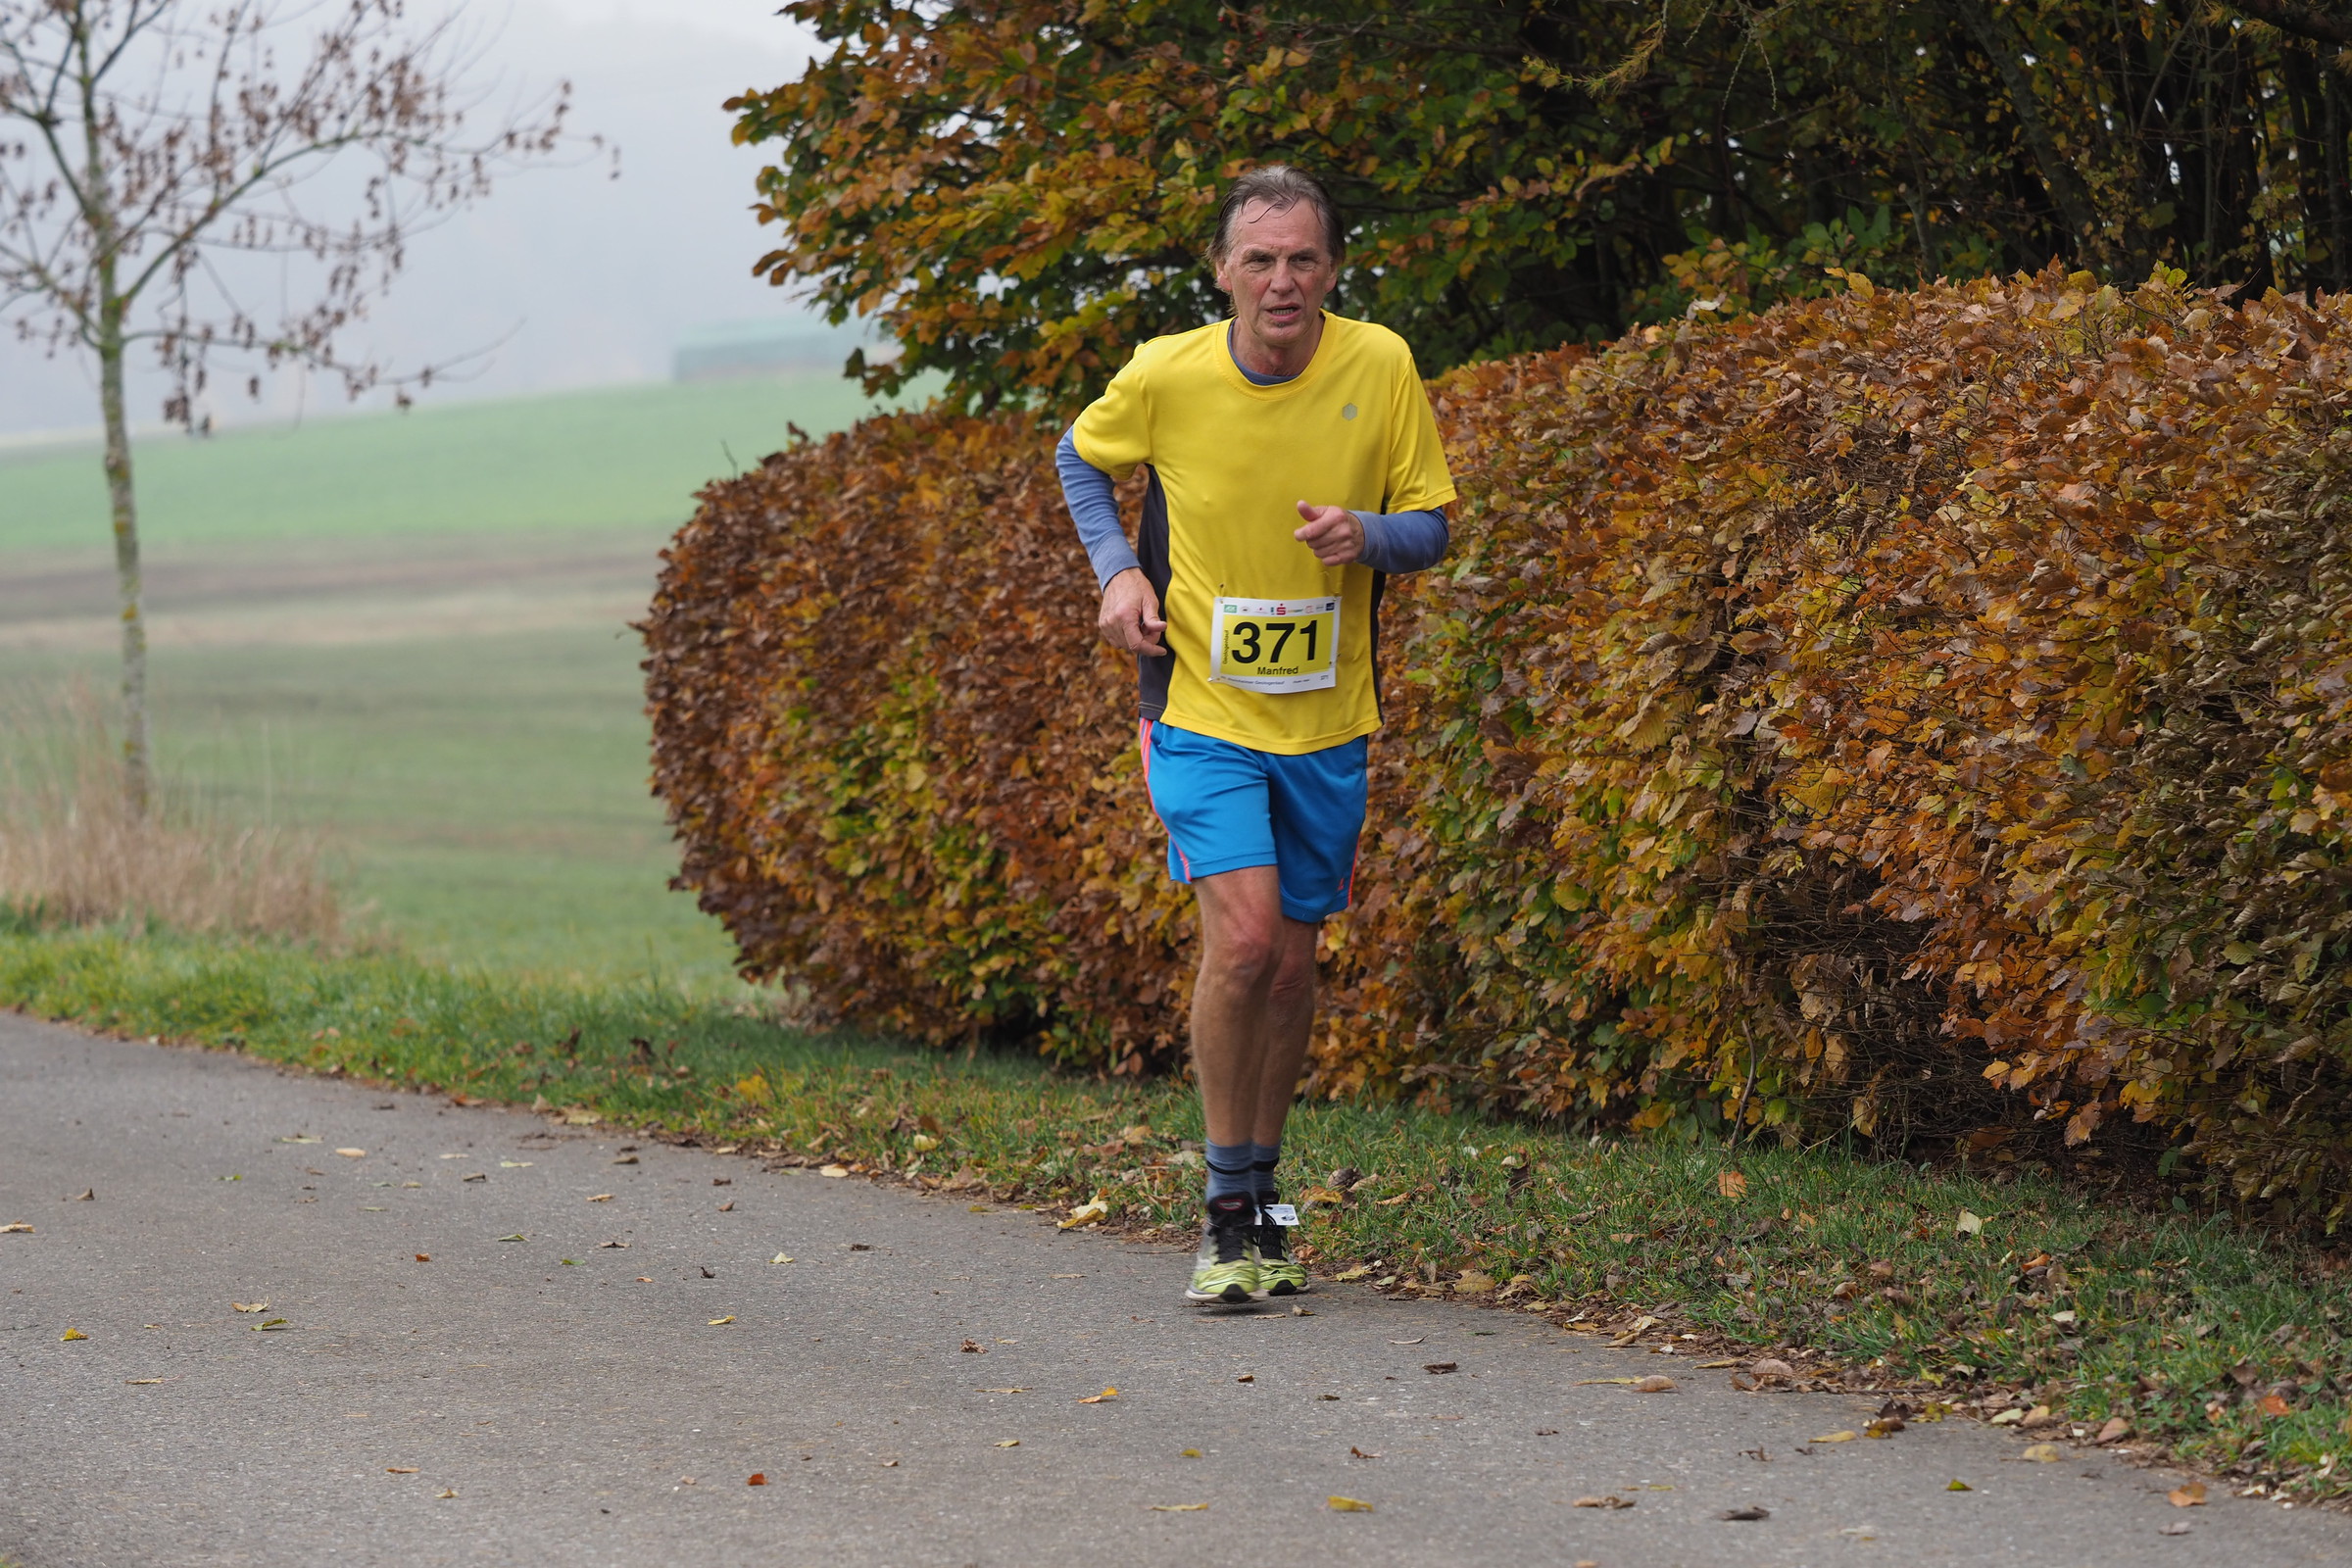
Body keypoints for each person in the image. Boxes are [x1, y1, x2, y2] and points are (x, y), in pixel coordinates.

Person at [1056, 165, 1455, 1303]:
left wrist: (1367, 534)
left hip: (1327, 720)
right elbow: (1080, 456)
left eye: (1303, 259)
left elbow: (1431, 528)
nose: (1283, 280)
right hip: (1197, 708)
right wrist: (1119, 569)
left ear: (1333, 271)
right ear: (1222, 272)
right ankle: (1226, 1208)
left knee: (1289, 964)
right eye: (1260, 259)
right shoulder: (1167, 374)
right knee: (1240, 944)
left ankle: (1265, 1194)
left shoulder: (1379, 364)